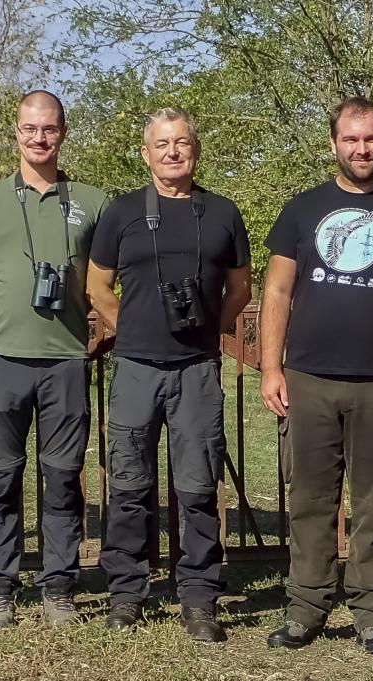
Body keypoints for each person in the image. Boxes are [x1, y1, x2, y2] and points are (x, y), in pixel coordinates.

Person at [259, 96, 373, 654]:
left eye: (371, 139)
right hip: (309, 378)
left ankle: (371, 612)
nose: (361, 149)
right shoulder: (302, 209)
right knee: (310, 500)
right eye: (351, 139)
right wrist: (271, 367)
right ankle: (306, 608)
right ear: (333, 143)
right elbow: (276, 290)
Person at [87, 108, 251, 642]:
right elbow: (96, 286)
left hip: (197, 370)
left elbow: (242, 289)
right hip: (135, 367)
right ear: (146, 152)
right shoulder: (122, 213)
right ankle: (127, 593)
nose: (172, 152)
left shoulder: (223, 213)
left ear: (195, 149)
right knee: (130, 484)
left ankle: (200, 597)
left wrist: (211, 332)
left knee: (199, 485)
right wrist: (129, 327)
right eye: (162, 144)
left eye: (181, 142)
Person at [0, 90, 108, 630]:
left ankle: (59, 587)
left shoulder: (93, 200)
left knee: (63, 478)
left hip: (66, 360)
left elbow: (103, 278)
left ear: (63, 131)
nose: (39, 138)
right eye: (29, 129)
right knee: (0, 476)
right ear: (15, 132)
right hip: (2, 360)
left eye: (49, 129)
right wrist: (5, 317)